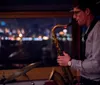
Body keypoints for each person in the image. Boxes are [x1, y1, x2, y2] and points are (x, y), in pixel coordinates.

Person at [57, 0, 100, 85]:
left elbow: (97, 65)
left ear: (87, 11)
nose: (74, 17)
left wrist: (70, 62)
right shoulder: (89, 29)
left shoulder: (98, 29)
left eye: (77, 13)